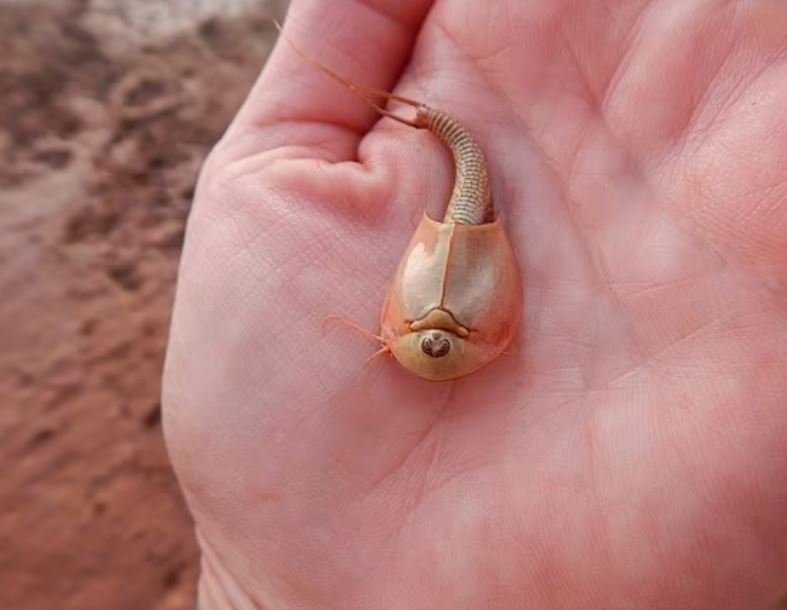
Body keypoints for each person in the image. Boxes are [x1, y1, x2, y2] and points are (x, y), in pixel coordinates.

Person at [162, 1, 787, 608]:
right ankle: (442, 127)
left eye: (426, 341)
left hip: (465, 246)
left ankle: (442, 126)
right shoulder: (449, 335)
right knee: (465, 162)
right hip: (468, 250)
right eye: (430, 343)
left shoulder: (435, 336)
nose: (431, 341)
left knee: (466, 162)